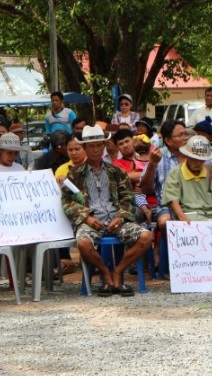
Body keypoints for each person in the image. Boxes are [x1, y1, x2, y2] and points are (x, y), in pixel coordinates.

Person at [61, 124, 153, 297]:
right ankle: (105, 272)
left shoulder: (116, 172)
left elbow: (128, 198)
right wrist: (86, 217)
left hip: (116, 219)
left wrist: (120, 216)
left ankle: (118, 272)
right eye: (91, 145)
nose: (95, 149)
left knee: (146, 236)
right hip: (92, 220)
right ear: (85, 148)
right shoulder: (75, 174)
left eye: (98, 145)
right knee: (83, 243)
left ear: (103, 146)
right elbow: (66, 201)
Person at [162, 135, 212, 222]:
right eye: (194, 159)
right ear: (187, 156)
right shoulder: (175, 173)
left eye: (201, 159)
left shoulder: (211, 170)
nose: (198, 163)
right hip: (189, 215)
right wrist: (182, 217)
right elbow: (173, 199)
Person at [139, 119, 189, 232]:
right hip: (167, 207)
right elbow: (145, 189)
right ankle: (167, 249)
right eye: (180, 135)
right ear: (168, 140)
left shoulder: (194, 156)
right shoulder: (158, 156)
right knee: (165, 222)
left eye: (186, 134)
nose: (186, 138)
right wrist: (152, 164)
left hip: (195, 204)